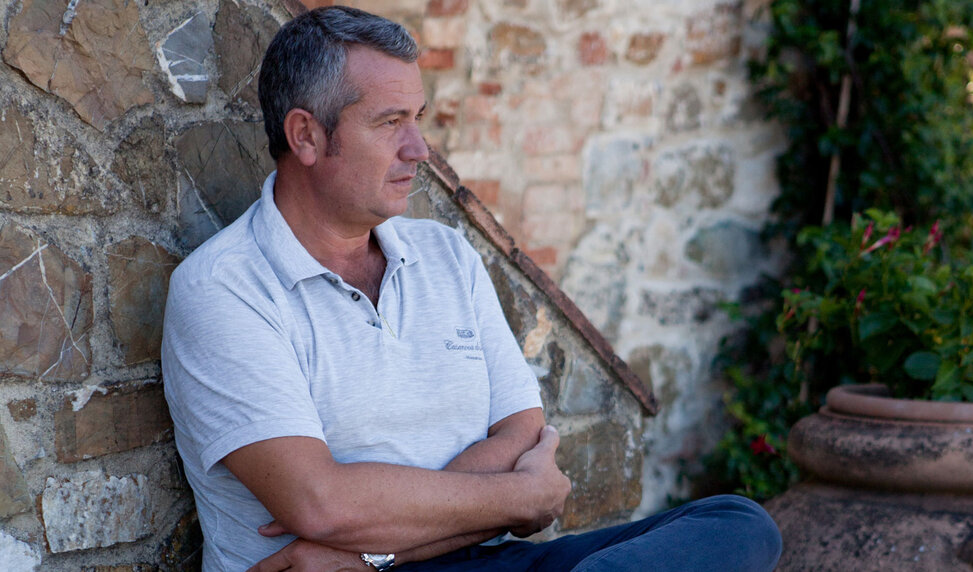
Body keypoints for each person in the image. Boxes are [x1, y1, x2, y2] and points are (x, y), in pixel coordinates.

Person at [161, 6, 782, 572]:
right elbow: (320, 505)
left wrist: (377, 547)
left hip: (473, 561)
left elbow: (521, 435)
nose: (419, 148)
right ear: (307, 136)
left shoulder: (445, 255)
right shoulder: (224, 288)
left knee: (738, 522)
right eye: (390, 122)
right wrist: (520, 499)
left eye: (419, 119)